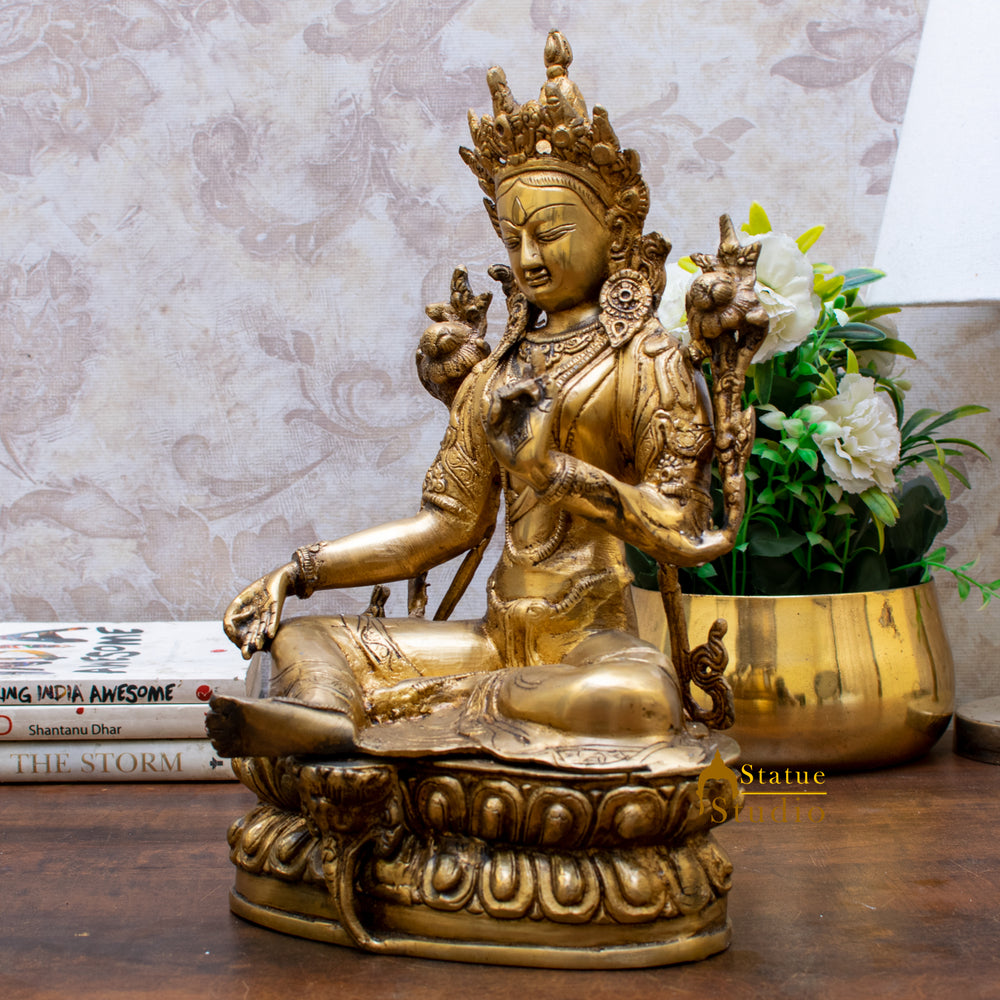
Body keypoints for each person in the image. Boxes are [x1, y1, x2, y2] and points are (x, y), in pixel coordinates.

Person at [208, 32, 763, 767]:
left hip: (589, 644)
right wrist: (299, 573)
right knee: (304, 637)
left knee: (641, 700)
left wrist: (552, 471)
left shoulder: (648, 360)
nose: (528, 258)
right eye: (512, 238)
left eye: (550, 233)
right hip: (495, 635)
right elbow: (445, 525)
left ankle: (412, 713)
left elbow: (687, 529)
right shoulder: (497, 369)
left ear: (615, 231)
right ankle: (346, 716)